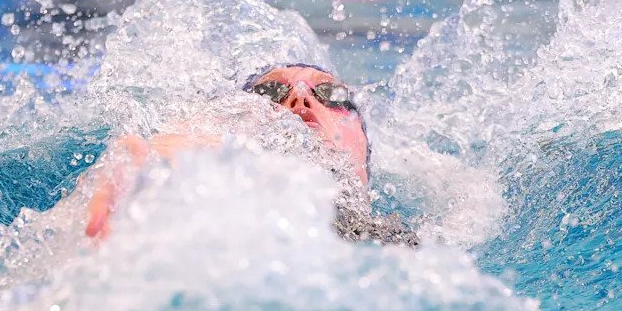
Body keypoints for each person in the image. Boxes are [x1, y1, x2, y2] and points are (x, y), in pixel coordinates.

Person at [82, 63, 419, 246]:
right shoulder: (204, 217)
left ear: (363, 150)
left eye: (331, 94)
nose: (299, 98)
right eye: (269, 91)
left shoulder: (401, 246)